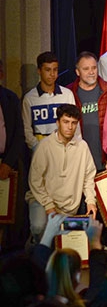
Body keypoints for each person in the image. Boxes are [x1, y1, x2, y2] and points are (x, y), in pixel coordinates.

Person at [26, 104, 97, 241]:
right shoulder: (44, 146)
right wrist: (48, 206)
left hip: (69, 206)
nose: (70, 127)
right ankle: (34, 248)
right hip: (42, 200)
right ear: (58, 122)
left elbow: (89, 177)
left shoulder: (82, 147)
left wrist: (90, 201)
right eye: (66, 122)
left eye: (73, 123)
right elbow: (35, 181)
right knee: (39, 227)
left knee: (70, 242)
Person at [67, 51, 107, 172]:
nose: (91, 72)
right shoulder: (68, 93)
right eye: (86, 69)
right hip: (79, 160)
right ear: (78, 72)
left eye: (94, 68)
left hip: (105, 158)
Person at [23, 51, 77, 150]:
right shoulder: (29, 98)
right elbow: (26, 130)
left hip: (65, 150)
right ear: (39, 71)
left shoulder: (67, 94)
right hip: (40, 152)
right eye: (47, 70)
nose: (52, 74)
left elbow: (75, 124)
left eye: (55, 70)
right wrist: (38, 148)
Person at [0, 79, 25, 251]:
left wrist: (8, 163)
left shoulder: (11, 98)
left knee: (9, 215)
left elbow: (19, 133)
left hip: (8, 162)